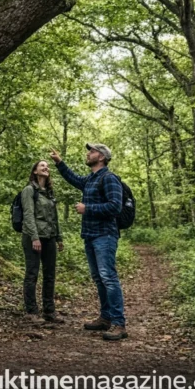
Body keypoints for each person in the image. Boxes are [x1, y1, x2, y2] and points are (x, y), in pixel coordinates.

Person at [49, 144, 127, 341]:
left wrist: (87, 208)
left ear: (101, 157)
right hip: (90, 235)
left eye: (92, 151)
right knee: (99, 278)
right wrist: (59, 163)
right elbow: (74, 179)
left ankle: (119, 323)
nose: (88, 153)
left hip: (105, 235)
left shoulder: (109, 178)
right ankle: (106, 318)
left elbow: (115, 207)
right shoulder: (91, 179)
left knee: (108, 278)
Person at [21, 160, 64, 323]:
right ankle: (31, 311)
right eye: (42, 166)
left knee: (50, 274)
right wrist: (34, 237)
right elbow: (28, 215)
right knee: (32, 273)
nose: (46, 167)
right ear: (35, 171)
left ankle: (49, 311)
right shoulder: (29, 190)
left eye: (47, 166)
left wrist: (59, 237)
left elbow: (54, 217)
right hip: (33, 238)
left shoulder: (49, 192)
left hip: (49, 238)